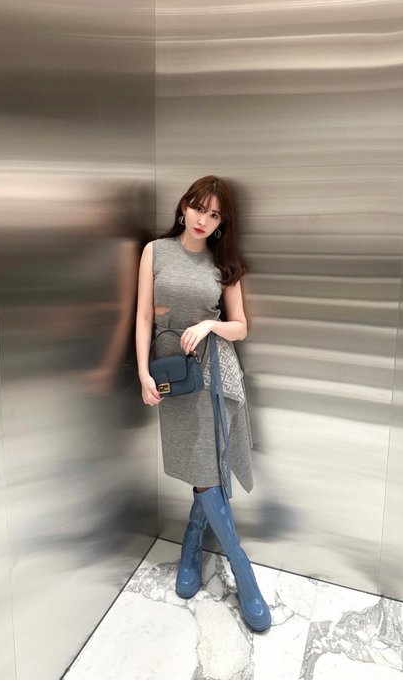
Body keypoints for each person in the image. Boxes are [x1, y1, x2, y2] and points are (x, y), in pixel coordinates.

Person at [135, 175, 271, 632]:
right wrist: (142, 372)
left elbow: (240, 326)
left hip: (215, 374)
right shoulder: (155, 251)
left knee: (206, 471)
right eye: (198, 208)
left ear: (221, 223)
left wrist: (210, 325)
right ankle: (195, 537)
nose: (203, 220)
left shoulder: (223, 264)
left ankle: (239, 570)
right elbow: (143, 317)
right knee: (202, 468)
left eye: (214, 215)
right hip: (173, 376)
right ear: (183, 206)